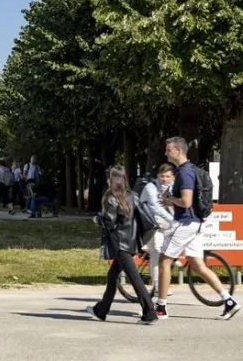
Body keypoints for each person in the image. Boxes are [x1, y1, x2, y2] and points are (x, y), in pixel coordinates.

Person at [156, 136, 241, 320]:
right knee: (198, 264)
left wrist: (169, 198)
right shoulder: (190, 170)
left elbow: (186, 202)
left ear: (178, 151)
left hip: (185, 223)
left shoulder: (185, 173)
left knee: (164, 261)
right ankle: (229, 301)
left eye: (168, 149)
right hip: (196, 223)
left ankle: (160, 308)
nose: (165, 152)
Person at [87, 165, 157, 324]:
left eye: (108, 177)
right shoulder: (131, 195)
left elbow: (109, 222)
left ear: (112, 179)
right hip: (131, 242)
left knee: (134, 279)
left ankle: (150, 312)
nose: (106, 180)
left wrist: (98, 219)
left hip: (120, 244)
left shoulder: (112, 197)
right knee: (112, 276)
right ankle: (101, 310)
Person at [140, 163, 175, 296]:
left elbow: (174, 205)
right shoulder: (151, 187)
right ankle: (157, 286)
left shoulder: (172, 187)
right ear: (157, 176)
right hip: (150, 223)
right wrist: (172, 219)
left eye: (167, 176)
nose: (164, 179)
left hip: (164, 223)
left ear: (173, 177)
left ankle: (174, 262)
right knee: (157, 252)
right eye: (162, 176)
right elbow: (155, 208)